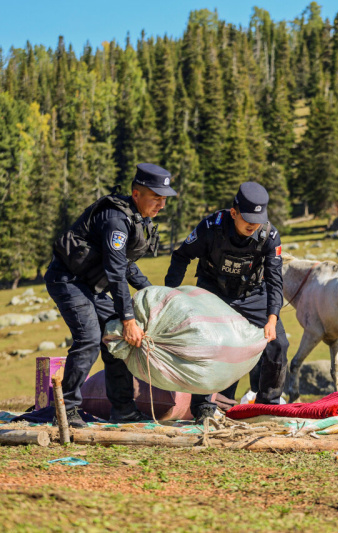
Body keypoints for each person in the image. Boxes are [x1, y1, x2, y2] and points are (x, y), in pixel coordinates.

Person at [45, 163, 176, 428]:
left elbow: (126, 265)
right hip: (68, 280)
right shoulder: (116, 220)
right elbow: (116, 273)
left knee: (116, 338)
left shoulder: (139, 219)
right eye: (156, 198)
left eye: (164, 199)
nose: (161, 205)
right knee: (90, 338)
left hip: (93, 286)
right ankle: (66, 411)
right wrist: (128, 319)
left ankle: (123, 409)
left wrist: (154, 294)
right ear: (136, 194)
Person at [164, 182, 289, 424]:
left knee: (278, 344)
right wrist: (169, 297)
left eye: (258, 219)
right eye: (247, 219)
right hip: (213, 292)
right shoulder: (211, 227)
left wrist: (272, 318)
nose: (253, 225)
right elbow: (181, 257)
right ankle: (202, 408)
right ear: (234, 213)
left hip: (252, 294)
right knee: (204, 342)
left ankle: (266, 407)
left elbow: (275, 281)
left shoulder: (269, 236)